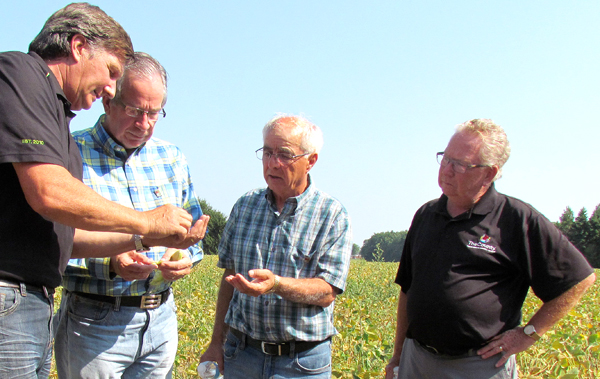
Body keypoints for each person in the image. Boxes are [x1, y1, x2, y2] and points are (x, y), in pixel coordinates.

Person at [0, 4, 201, 378]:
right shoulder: (21, 74)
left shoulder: (56, 116)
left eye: (154, 113)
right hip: (28, 299)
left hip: (35, 302)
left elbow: (66, 236)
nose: (109, 87)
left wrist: (142, 242)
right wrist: (145, 225)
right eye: (110, 72)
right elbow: (49, 193)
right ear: (78, 47)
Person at [385, 119, 596, 379]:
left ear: (489, 173)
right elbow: (408, 289)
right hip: (417, 360)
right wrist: (398, 357)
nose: (447, 170)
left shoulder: (516, 219)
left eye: (460, 164)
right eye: (445, 158)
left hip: (479, 367)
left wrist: (528, 334)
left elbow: (579, 279)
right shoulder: (427, 214)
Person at [54, 52, 209, 378]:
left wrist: (182, 255)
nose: (144, 124)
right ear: (108, 101)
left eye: (154, 113)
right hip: (93, 322)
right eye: (135, 111)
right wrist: (110, 261)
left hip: (161, 318)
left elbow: (194, 235)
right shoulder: (71, 151)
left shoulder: (171, 157)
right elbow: (53, 240)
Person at [199, 115, 353, 378]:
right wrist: (216, 343)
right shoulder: (245, 205)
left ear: (311, 161)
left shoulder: (331, 214)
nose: (273, 163)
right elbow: (229, 278)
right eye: (267, 153)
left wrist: (277, 285)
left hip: (301, 363)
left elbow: (327, 290)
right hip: (242, 354)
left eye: (284, 154)